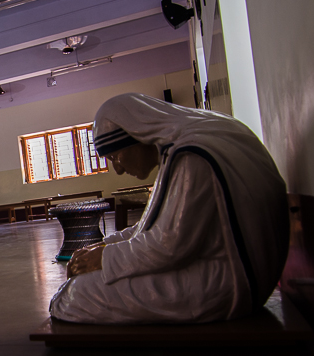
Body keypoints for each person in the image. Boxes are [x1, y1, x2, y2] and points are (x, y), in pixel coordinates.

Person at [49, 93, 289, 324]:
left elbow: (170, 246)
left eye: (116, 157)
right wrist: (105, 245)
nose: (119, 170)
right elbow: (153, 226)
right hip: (240, 271)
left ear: (138, 135)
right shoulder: (186, 145)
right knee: (82, 285)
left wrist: (104, 256)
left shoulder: (192, 155)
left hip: (231, 283)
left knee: (75, 295)